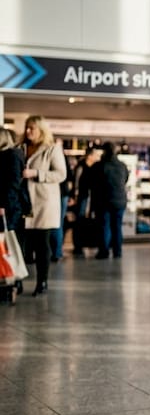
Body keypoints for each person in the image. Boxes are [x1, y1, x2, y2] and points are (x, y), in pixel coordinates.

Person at [21, 116, 68, 296]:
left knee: (42, 245)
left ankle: (42, 281)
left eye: (32, 128)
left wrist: (36, 173)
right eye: (26, 128)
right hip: (24, 203)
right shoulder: (21, 148)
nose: (28, 132)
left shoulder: (52, 149)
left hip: (43, 203)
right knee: (24, 245)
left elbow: (60, 174)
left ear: (41, 129)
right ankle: (17, 282)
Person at [89, 142, 129, 260]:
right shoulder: (122, 166)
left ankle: (104, 251)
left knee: (104, 226)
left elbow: (93, 183)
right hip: (120, 200)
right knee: (117, 227)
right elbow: (125, 179)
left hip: (104, 201)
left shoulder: (99, 166)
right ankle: (118, 251)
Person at [0, 129, 26, 293]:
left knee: (9, 243)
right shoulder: (9, 155)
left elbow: (13, 184)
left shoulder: (12, 155)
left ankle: (14, 278)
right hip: (6, 206)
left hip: (8, 208)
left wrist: (4, 205)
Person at [70, 145, 103, 258]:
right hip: (82, 198)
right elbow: (77, 184)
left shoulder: (94, 167)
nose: (98, 157)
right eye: (96, 155)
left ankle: (88, 242)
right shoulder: (81, 167)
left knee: (88, 221)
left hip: (90, 198)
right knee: (79, 221)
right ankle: (78, 246)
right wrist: (75, 197)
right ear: (90, 156)